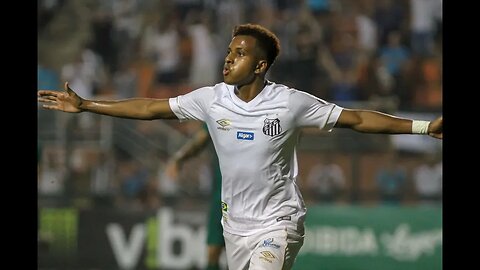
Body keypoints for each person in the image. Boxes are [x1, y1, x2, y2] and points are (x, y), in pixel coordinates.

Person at [38, 23, 442, 270]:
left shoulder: (289, 102)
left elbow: (357, 119)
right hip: (236, 227)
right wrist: (88, 105)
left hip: (277, 224)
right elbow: (150, 107)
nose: (228, 59)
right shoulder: (212, 99)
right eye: (230, 52)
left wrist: (425, 127)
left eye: (240, 54)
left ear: (260, 66)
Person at [164, 124, 225, 270]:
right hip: (222, 196)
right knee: (213, 251)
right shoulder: (220, 106)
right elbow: (201, 138)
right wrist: (179, 157)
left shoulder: (265, 110)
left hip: (254, 195)